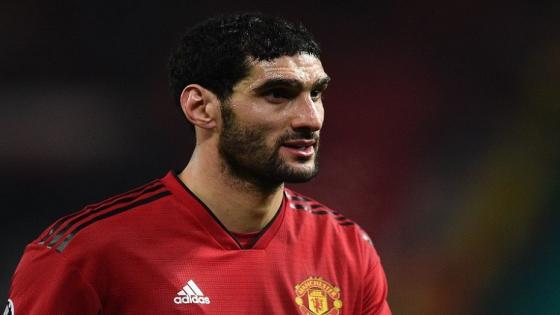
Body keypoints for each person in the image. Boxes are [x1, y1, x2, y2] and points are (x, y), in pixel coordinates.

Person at [5, 13, 391, 314]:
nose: (310, 118)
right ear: (201, 107)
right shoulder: (85, 255)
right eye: (278, 94)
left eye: (316, 93)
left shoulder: (347, 248)